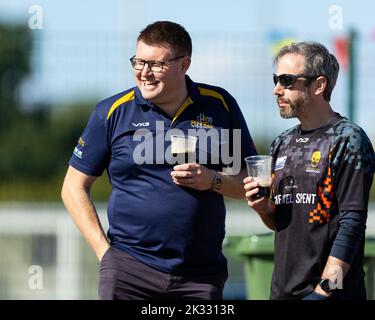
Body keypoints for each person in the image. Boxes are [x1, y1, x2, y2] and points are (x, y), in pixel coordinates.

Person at [61, 21, 257, 300]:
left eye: (155, 64)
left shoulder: (220, 105)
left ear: (184, 64)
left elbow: (249, 183)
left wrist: (212, 180)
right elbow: (72, 187)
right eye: (138, 62)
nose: (144, 73)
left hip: (200, 276)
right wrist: (104, 253)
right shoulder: (112, 111)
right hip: (129, 271)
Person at [244, 41, 375, 300]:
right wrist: (263, 209)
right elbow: (282, 223)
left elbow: (352, 225)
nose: (276, 90)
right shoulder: (282, 142)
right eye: (276, 79)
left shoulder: (347, 139)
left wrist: (323, 291)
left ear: (319, 85)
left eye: (287, 80)